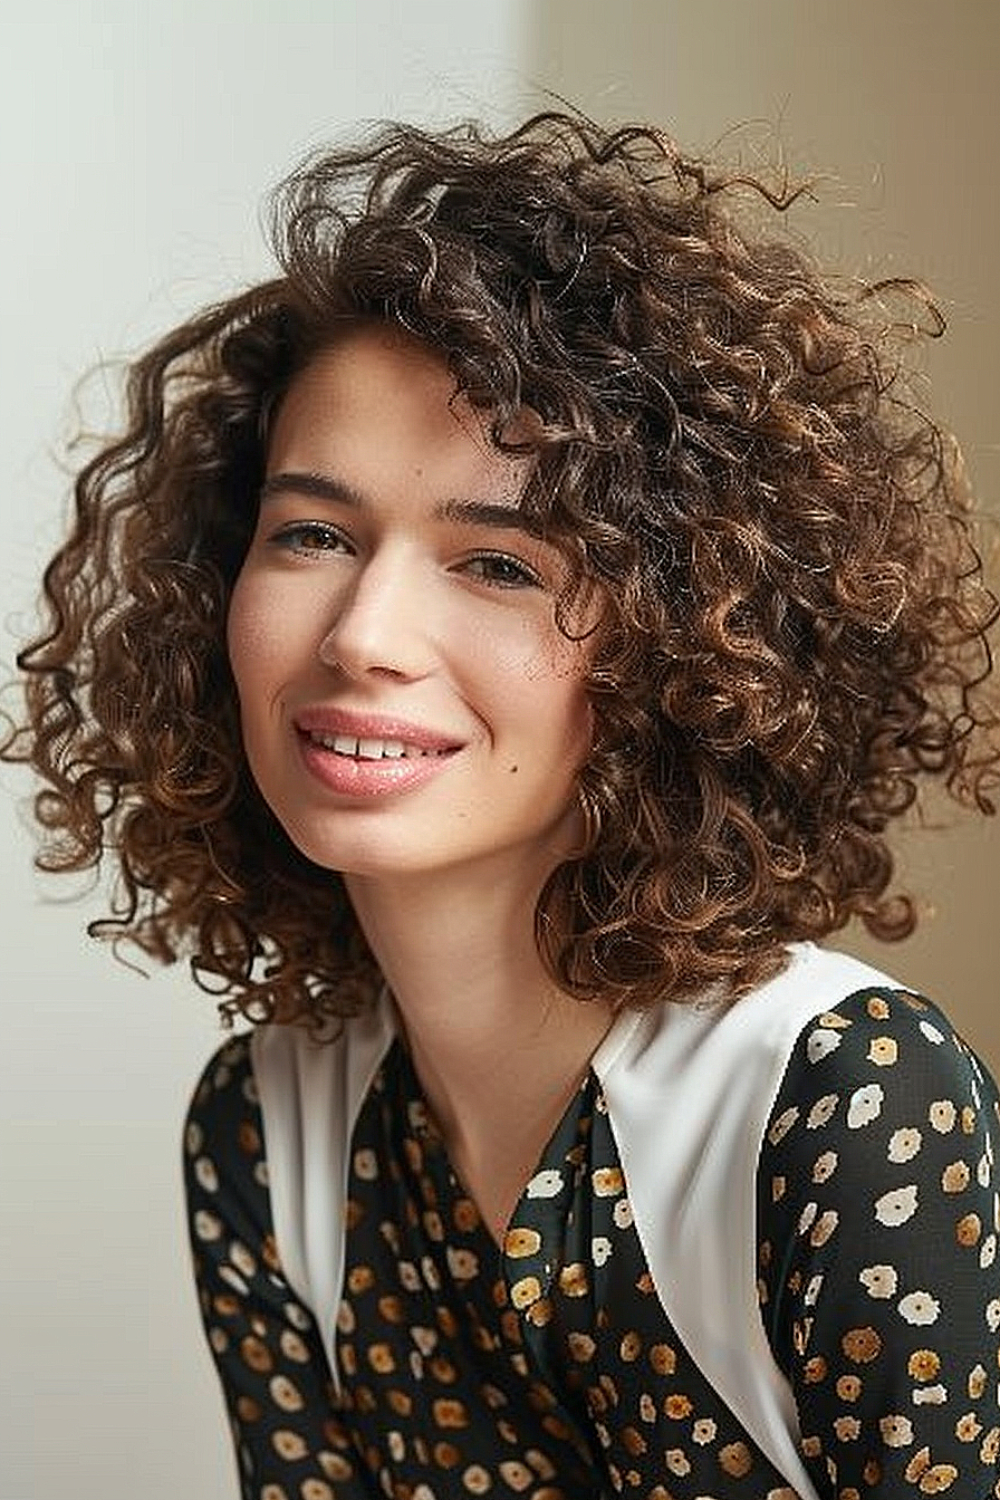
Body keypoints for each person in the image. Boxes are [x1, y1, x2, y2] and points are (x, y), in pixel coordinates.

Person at [4, 113, 999, 1499]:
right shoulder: (269, 1132)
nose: (365, 634)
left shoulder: (834, 1099)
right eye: (312, 535)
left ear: (688, 645)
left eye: (501, 564)